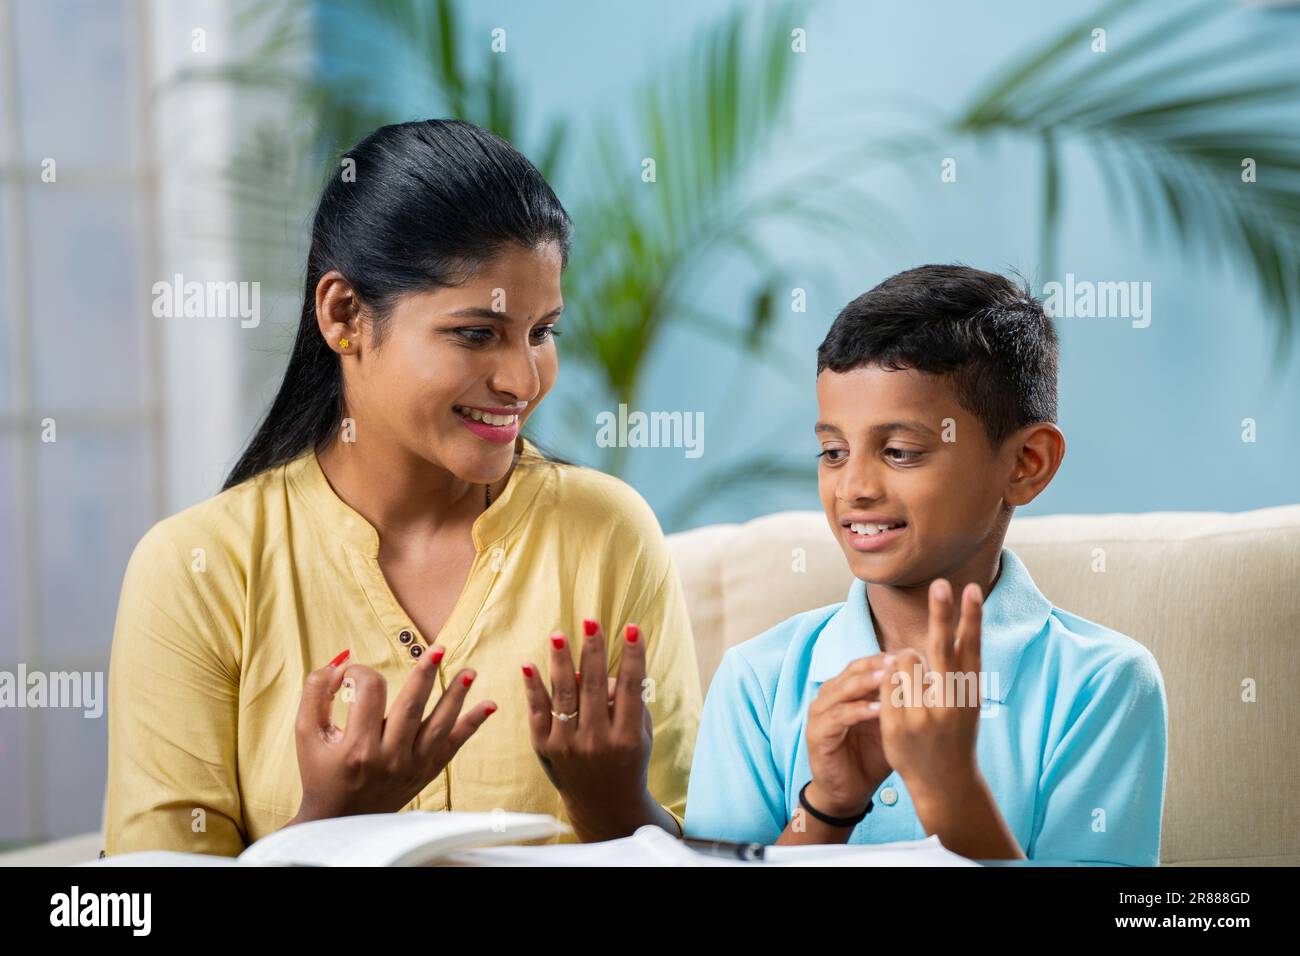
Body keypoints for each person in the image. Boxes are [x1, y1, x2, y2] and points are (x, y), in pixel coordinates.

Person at [105, 119, 702, 856]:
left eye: (542, 330)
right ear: (344, 316)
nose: (522, 380)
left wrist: (617, 806)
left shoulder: (607, 532)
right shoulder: (196, 568)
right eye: (476, 334)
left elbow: (700, 843)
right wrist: (327, 827)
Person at [684, 265, 1167, 864]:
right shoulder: (757, 681)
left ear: (1027, 464)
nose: (854, 487)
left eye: (901, 452)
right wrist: (829, 804)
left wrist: (950, 791)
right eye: (833, 452)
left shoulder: (1104, 684)